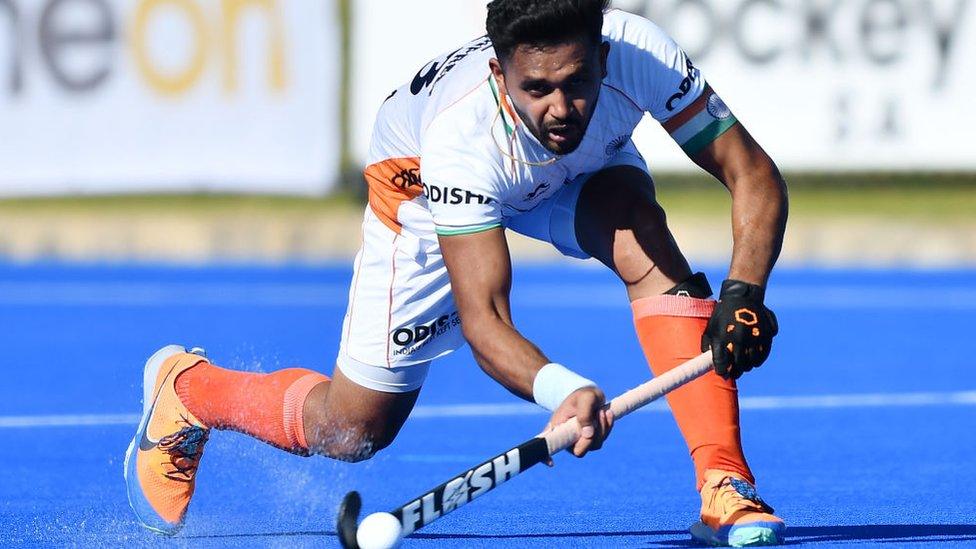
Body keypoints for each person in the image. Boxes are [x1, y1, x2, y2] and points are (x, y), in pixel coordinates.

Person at [124, 1, 788, 546]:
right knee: (352, 430)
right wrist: (561, 386)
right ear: (501, 73)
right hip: (417, 186)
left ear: (604, 59)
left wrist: (743, 293)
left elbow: (751, 173)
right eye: (537, 88)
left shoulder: (642, 54)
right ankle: (191, 389)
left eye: (577, 83)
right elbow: (485, 319)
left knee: (645, 236)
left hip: (578, 174)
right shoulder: (458, 135)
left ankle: (725, 486)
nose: (561, 109)